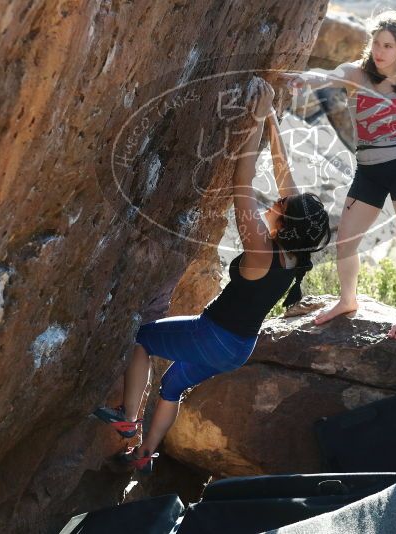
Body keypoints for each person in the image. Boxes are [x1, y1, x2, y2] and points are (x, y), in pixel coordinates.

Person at [93, 79, 332, 471]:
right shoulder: (294, 251)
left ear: (285, 221)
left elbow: (244, 179)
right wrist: (269, 116)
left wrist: (253, 122)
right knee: (172, 386)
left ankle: (128, 417)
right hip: (238, 349)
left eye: (280, 205)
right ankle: (142, 457)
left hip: (213, 336)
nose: (276, 200)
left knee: (143, 340)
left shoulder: (261, 247)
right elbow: (281, 170)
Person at [284, 10, 396, 340]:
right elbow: (326, 76)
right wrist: (302, 79)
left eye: (388, 46)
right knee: (346, 241)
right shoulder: (356, 73)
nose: (379, 51)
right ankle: (347, 300)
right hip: (369, 171)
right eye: (376, 44)